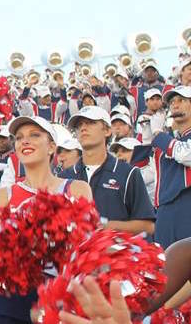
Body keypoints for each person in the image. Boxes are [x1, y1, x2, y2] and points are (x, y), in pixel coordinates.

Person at [0, 116, 93, 323]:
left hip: (63, 294)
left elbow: (85, 247)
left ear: (52, 146)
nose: (24, 141)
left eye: (34, 135)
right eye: (19, 138)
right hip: (11, 299)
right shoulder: (1, 195)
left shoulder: (77, 189)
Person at [62, 106, 155, 236]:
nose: (83, 128)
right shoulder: (65, 177)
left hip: (115, 254)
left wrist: (106, 226)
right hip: (75, 254)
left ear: (107, 131)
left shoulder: (128, 173)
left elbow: (148, 226)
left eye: (91, 123)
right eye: (79, 125)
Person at [131, 86, 191, 248]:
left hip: (186, 205)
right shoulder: (170, 139)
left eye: (182, 100)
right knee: (164, 266)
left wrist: (158, 133)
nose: (175, 105)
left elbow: (186, 155)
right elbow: (145, 173)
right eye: (172, 102)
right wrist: (147, 137)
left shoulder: (167, 139)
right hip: (164, 209)